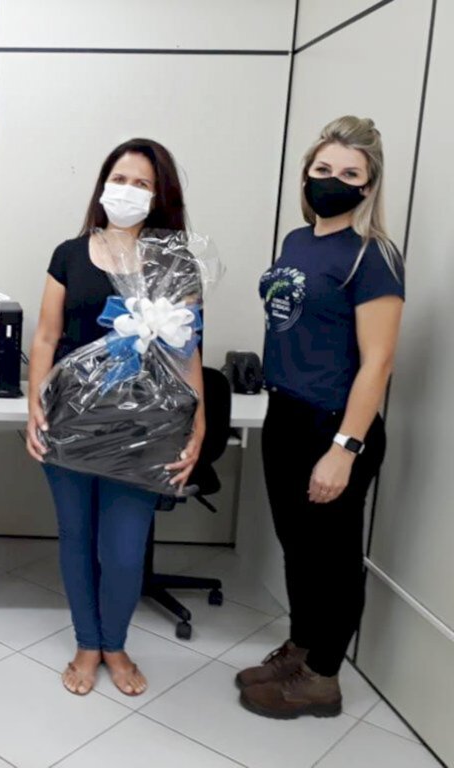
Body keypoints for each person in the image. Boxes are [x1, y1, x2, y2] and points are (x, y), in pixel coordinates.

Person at [25, 139, 205, 697]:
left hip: (146, 430)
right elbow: (48, 336)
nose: (127, 191)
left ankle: (116, 644)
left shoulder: (176, 262)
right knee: (77, 538)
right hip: (71, 423)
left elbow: (189, 352)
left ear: (159, 196)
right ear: (103, 185)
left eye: (142, 183)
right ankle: (87, 642)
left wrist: (197, 427)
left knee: (123, 549)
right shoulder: (69, 254)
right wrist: (34, 402)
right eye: (119, 179)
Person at [239, 116, 404, 718]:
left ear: (368, 187)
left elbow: (379, 359)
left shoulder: (373, 256)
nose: (333, 180)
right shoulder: (296, 241)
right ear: (307, 175)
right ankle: (302, 649)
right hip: (284, 412)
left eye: (350, 174)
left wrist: (345, 447)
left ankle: (323, 678)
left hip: (335, 424)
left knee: (333, 560)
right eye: (323, 169)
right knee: (297, 548)